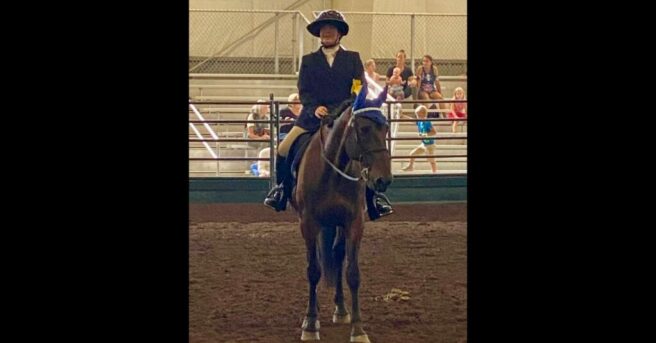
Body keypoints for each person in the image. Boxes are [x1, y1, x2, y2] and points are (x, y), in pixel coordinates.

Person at [263, 9, 393, 218]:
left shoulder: (352, 59)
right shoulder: (308, 60)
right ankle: (281, 190)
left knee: (364, 147)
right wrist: (314, 107)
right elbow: (304, 90)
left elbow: (358, 87)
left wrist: (345, 106)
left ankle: (373, 199)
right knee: (283, 148)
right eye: (323, 29)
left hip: (345, 116)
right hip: (313, 117)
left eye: (331, 28)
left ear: (339, 33)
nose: (327, 32)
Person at [401, 105, 438, 173]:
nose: (417, 117)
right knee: (413, 153)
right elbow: (412, 120)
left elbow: (434, 132)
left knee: (430, 159)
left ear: (423, 114)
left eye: (418, 115)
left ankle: (434, 172)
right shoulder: (419, 122)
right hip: (424, 144)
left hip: (430, 144)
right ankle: (410, 166)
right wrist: (403, 116)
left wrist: (424, 135)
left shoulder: (427, 122)